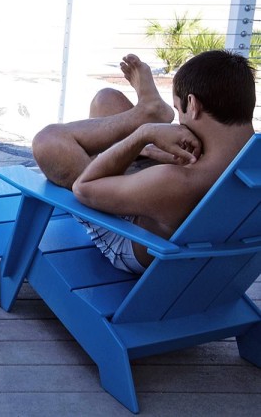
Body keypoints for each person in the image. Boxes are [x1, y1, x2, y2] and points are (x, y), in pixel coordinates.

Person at [31, 50, 256, 274]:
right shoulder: (251, 163)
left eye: (178, 110)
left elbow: (84, 188)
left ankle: (146, 114)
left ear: (193, 104)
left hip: (133, 238)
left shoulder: (181, 181)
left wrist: (144, 134)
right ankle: (146, 114)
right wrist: (150, 150)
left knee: (48, 141)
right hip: (192, 226)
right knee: (107, 99)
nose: (180, 119)